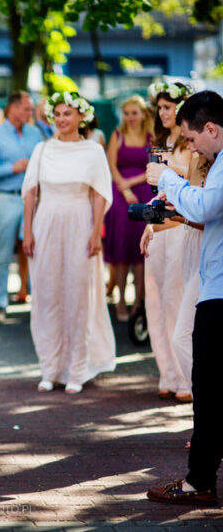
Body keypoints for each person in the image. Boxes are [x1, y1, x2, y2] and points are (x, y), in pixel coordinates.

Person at [145, 90, 223, 507]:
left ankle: (200, 481)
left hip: (220, 290)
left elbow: (207, 206)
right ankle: (203, 468)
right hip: (214, 279)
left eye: (192, 139)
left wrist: (168, 179)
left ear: (211, 128)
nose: (191, 147)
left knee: (207, 385)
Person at [21, 91, 116, 394]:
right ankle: (50, 368)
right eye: (58, 114)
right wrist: (28, 231)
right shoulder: (42, 149)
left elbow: (99, 194)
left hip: (80, 220)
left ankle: (77, 369)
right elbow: (30, 193)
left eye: (67, 113)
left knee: (78, 294)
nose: (61, 119)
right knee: (47, 294)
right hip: (46, 222)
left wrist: (96, 232)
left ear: (81, 116)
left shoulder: (93, 151)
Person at [140, 81, 193, 402]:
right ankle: (167, 373)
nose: (162, 113)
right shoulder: (159, 143)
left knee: (176, 301)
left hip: (183, 225)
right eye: (159, 107)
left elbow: (194, 181)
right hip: (159, 227)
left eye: (168, 107)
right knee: (156, 300)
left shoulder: (192, 143)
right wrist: (148, 223)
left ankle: (186, 379)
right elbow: (156, 193)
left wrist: (170, 168)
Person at [0, 92, 41, 323]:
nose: (30, 113)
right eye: (27, 109)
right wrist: (12, 168)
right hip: (7, 198)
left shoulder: (35, 133)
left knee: (36, 250)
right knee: (3, 251)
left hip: (35, 200)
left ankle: (38, 303)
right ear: (14, 108)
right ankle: (0, 304)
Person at [104, 95, 153, 322]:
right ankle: (121, 301)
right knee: (122, 251)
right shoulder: (117, 135)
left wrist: (131, 182)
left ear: (143, 114)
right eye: (127, 113)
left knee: (141, 252)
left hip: (144, 194)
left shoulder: (151, 137)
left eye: (135, 113)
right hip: (121, 196)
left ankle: (139, 303)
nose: (130, 117)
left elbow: (154, 166)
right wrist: (124, 190)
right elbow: (112, 165)